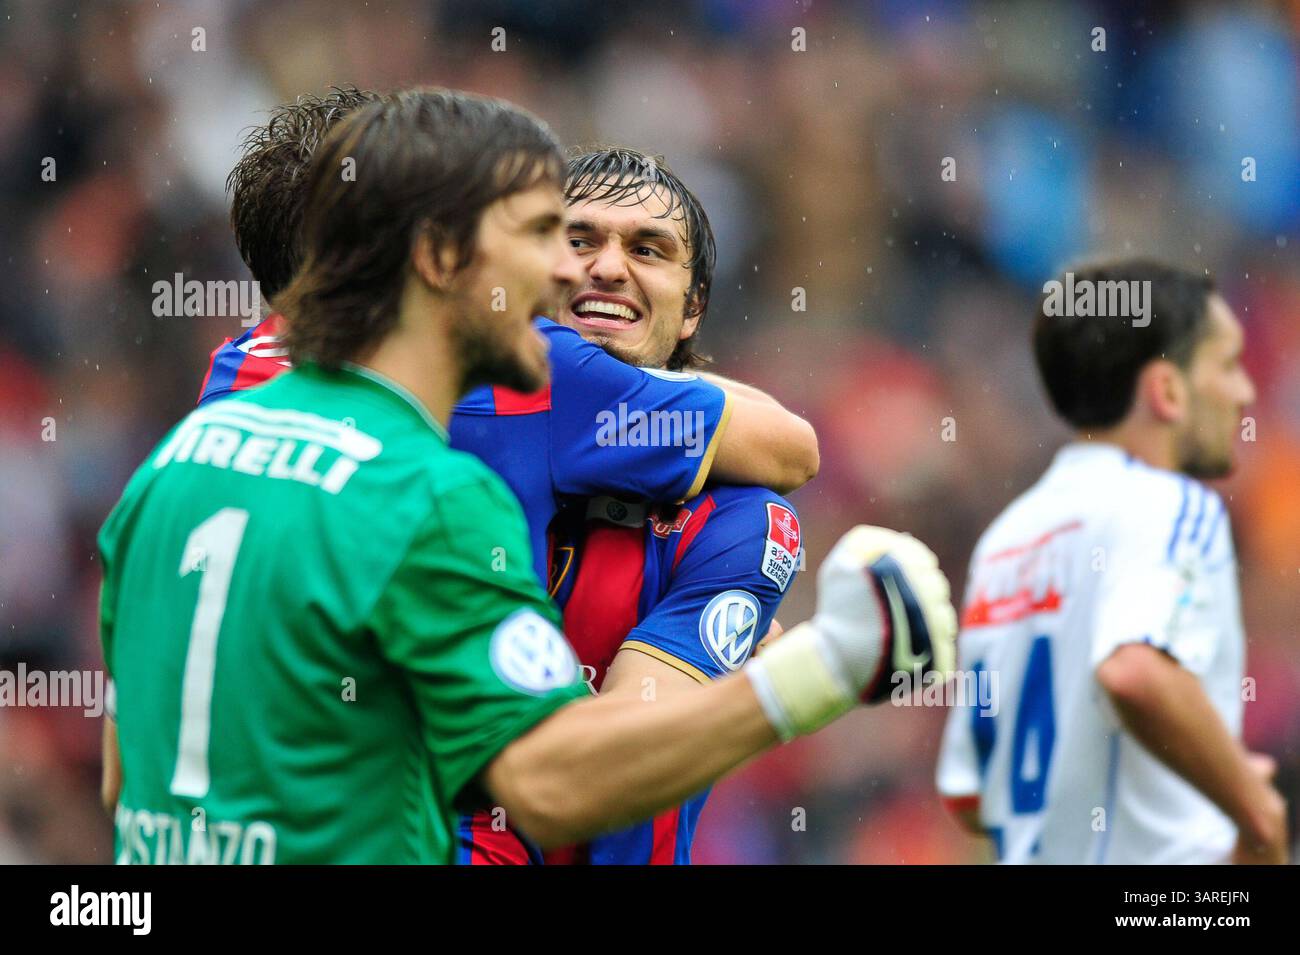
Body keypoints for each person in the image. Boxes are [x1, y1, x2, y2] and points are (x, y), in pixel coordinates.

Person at [100, 87, 956, 863]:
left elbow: (122, 777)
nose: (574, 272)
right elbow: (552, 786)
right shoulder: (436, 498)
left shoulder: (178, 462)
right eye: (548, 235)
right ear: (441, 261)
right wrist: (830, 666)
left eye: (641, 248)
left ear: (695, 301)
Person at [460, 147, 806, 864]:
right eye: (579, 239)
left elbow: (609, 763)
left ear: (695, 307)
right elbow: (795, 442)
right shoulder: (456, 405)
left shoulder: (739, 517)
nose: (609, 267)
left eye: (648, 249)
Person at [934, 259, 1287, 864]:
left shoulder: (1007, 540)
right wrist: (1254, 805)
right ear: (1167, 391)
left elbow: (968, 794)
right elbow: (1133, 672)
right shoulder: (1173, 504)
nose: (1245, 392)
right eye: (1227, 365)